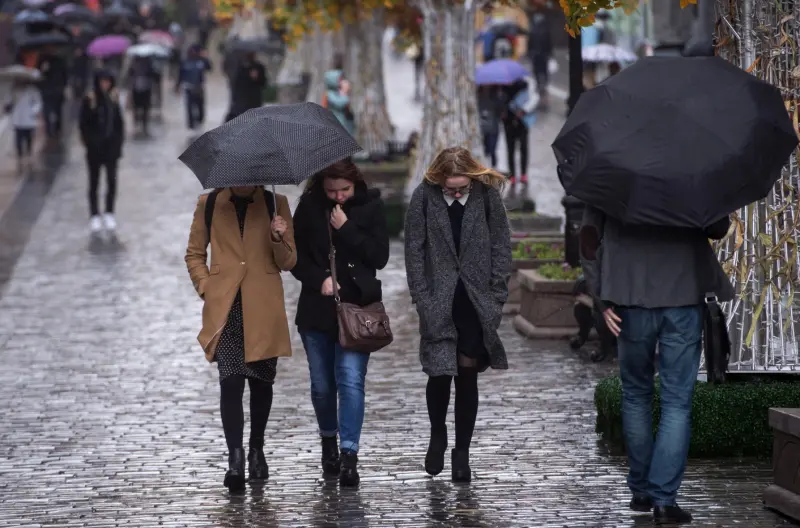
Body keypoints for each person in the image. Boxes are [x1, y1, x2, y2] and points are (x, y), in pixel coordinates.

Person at [579, 207, 734, 524]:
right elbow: (717, 226)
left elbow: (588, 239)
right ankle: (664, 500)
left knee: (636, 393)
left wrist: (600, 297)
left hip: (629, 295)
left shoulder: (610, 167)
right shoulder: (692, 166)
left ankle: (642, 491)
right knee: (676, 401)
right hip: (681, 293)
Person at [404, 147, 512, 482]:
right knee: (438, 372)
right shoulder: (423, 197)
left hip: (476, 302)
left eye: (461, 187)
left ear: (472, 178)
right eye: (449, 187)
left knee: (467, 375)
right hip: (439, 299)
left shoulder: (487, 197)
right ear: (438, 179)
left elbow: (501, 246)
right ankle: (438, 434)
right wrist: (422, 298)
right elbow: (413, 250)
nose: (455, 192)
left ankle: (461, 452)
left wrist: (496, 297)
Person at [184, 186, 297, 492]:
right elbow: (194, 253)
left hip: (263, 306)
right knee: (231, 381)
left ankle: (256, 448)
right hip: (227, 308)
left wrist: (278, 237)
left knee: (261, 383)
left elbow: (288, 261)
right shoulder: (209, 204)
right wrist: (208, 287)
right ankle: (235, 457)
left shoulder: (276, 203)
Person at [290, 159, 389, 487]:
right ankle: (329, 443)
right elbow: (295, 259)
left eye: (344, 190)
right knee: (322, 385)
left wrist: (346, 228)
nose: (338, 196)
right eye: (331, 190)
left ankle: (349, 456)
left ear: (354, 184)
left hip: (357, 311)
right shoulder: (308, 208)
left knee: (350, 380)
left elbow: (379, 257)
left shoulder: (371, 206)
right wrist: (319, 279)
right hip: (317, 312)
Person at [79, 70, 125, 233]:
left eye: (108, 81)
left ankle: (109, 212)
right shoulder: (90, 99)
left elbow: (119, 124)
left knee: (111, 181)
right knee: (94, 182)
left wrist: (118, 145)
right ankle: (94, 214)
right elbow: (83, 125)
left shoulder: (114, 98)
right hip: (94, 150)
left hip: (111, 149)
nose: (105, 84)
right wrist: (90, 142)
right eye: (102, 81)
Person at [501, 75, 539, 187]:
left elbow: (534, 98)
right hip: (508, 121)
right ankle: (512, 175)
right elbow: (501, 102)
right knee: (510, 149)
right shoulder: (503, 86)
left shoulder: (526, 83)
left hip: (522, 121)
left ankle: (523, 174)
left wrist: (523, 110)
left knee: (523, 147)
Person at [5, 78, 42, 165]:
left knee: (28, 137)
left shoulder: (33, 90)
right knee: (18, 138)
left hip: (29, 118)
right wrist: (8, 106)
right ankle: (20, 155)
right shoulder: (13, 90)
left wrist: (33, 111)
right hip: (18, 118)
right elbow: (9, 101)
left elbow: (38, 102)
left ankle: (29, 152)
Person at [176, 45, 211, 129]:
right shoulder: (185, 62)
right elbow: (180, 75)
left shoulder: (201, 61)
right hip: (188, 87)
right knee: (189, 106)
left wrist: (205, 57)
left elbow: (209, 68)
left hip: (199, 87)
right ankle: (191, 124)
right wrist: (177, 86)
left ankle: (199, 120)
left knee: (200, 105)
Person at [36, 50, 68, 138]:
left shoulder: (60, 61)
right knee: (47, 111)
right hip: (48, 91)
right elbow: (38, 76)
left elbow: (65, 74)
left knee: (57, 111)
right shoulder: (42, 61)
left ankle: (57, 129)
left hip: (56, 90)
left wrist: (64, 85)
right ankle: (49, 130)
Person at [227, 52, 266, 122]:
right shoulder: (240, 67)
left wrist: (256, 78)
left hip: (254, 100)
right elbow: (236, 84)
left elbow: (263, 83)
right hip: (242, 101)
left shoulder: (259, 67)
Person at [526, 9, 553, 106]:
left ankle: (541, 87)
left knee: (539, 72)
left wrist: (529, 53)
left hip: (537, 55)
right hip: (541, 55)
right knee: (542, 72)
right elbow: (548, 43)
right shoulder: (544, 30)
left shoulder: (533, 31)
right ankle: (542, 87)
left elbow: (530, 43)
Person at [125, 56, 157, 134]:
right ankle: (138, 123)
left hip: (145, 88)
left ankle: (143, 124)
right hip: (136, 88)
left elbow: (153, 74)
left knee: (144, 107)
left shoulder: (148, 63)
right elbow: (129, 74)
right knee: (137, 107)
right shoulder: (134, 63)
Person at [477, 85, 502, 168]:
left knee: (492, 149)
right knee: (486, 149)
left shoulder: (495, 96)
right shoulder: (478, 97)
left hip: (493, 127)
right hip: (482, 128)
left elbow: (500, 111)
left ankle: (494, 167)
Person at [323, 69, 354, 137]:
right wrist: (344, 92)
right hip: (335, 125)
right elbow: (341, 103)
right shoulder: (329, 94)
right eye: (340, 79)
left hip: (342, 124)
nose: (341, 81)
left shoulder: (337, 93)